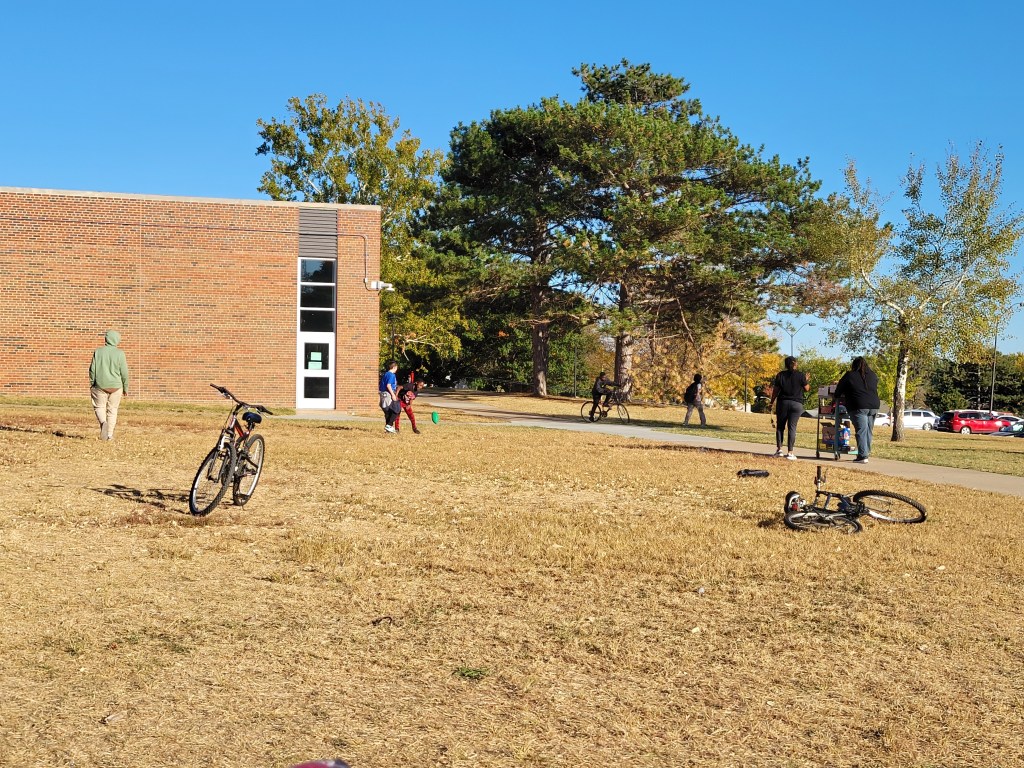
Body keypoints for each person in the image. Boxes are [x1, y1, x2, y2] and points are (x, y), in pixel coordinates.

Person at [833, 356, 881, 464]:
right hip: (874, 405)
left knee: (861, 430)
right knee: (868, 430)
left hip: (858, 405)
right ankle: (866, 452)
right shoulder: (873, 375)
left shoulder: (850, 375)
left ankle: (863, 456)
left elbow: (838, 391)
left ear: (854, 365)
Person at [89, 329, 130, 440]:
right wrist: (125, 387)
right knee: (113, 410)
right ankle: (109, 435)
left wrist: (92, 383)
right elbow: (124, 372)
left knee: (99, 406)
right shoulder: (120, 353)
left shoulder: (98, 352)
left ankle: (103, 422)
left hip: (100, 385)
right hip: (116, 386)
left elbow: (92, 369)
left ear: (106, 339)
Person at [769, 356, 810, 460]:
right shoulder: (801, 375)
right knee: (792, 427)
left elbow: (775, 390)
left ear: (786, 365)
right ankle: (790, 453)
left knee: (780, 427)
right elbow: (807, 389)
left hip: (783, 403)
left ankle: (779, 450)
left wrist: (771, 402)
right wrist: (806, 380)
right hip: (796, 404)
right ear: (795, 364)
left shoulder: (780, 375)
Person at [378, 361, 400, 433]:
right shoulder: (391, 375)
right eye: (396, 368)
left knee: (388, 412)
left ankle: (388, 428)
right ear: (394, 367)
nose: (397, 369)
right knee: (397, 409)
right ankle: (389, 425)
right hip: (388, 394)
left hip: (383, 393)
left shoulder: (386, 374)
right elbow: (388, 385)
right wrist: (393, 395)